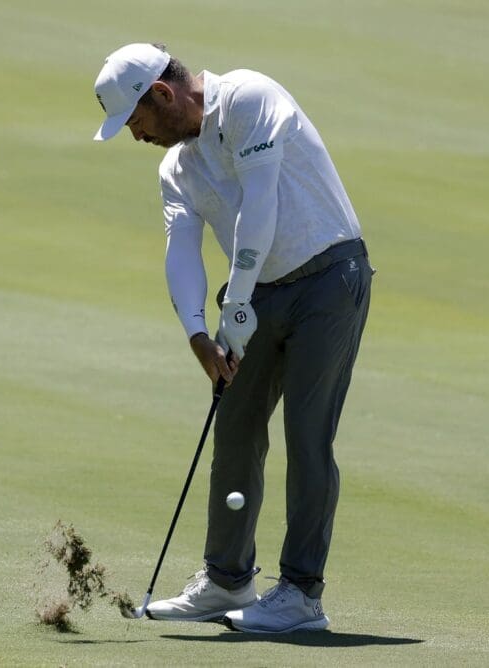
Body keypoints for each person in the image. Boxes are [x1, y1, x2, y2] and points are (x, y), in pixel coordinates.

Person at [92, 43, 373, 633]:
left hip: (328, 276)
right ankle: (226, 580)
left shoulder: (249, 97)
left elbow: (260, 208)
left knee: (307, 433)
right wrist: (197, 331)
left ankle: (300, 594)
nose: (136, 136)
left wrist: (237, 299)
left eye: (136, 122)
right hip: (258, 292)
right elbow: (181, 253)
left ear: (163, 95)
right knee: (236, 428)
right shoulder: (177, 167)